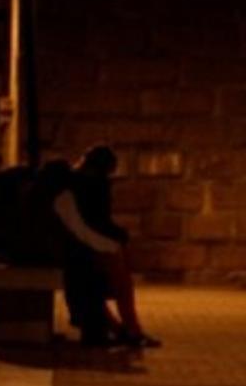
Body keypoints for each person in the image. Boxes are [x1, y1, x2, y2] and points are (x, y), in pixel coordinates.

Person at [41, 146, 160, 348]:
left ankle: (124, 329)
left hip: (72, 248)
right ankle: (131, 329)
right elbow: (89, 226)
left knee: (103, 279)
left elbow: (86, 224)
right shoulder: (91, 185)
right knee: (119, 280)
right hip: (76, 249)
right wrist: (116, 241)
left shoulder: (72, 184)